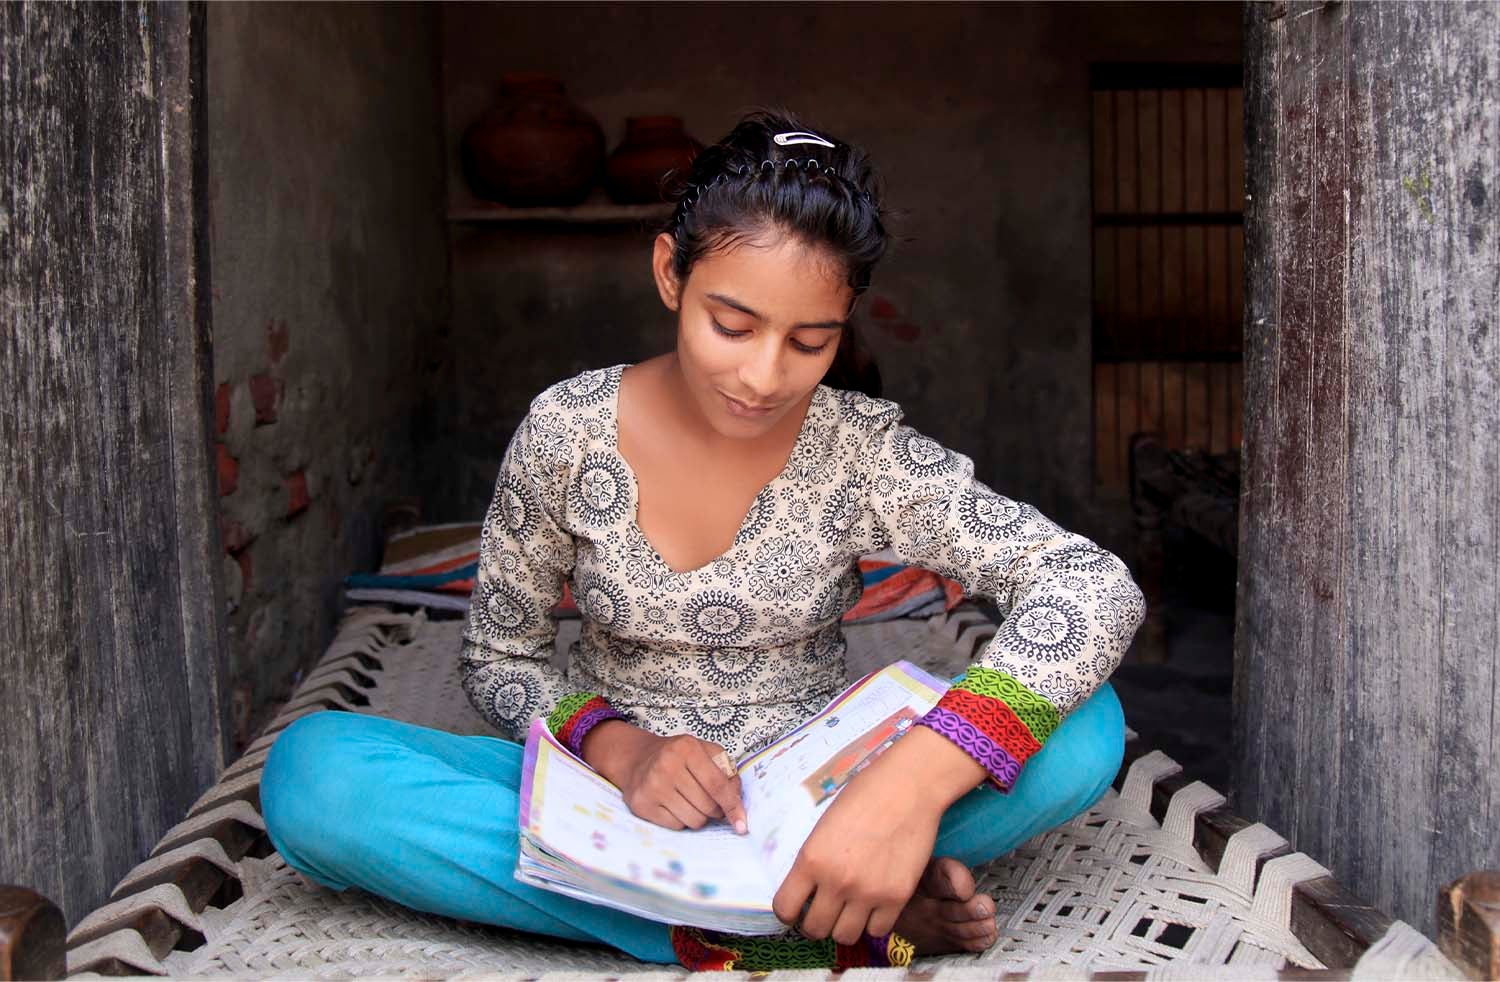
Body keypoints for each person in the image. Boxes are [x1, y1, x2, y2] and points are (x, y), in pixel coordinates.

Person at [261, 109, 1144, 972]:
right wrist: (625, 750)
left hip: (825, 804)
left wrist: (902, 791)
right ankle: (831, 922)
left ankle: (821, 881)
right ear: (668, 275)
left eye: (810, 342)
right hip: (609, 805)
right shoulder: (567, 431)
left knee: (1087, 731)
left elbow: (1090, 586)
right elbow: (499, 658)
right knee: (315, 777)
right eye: (733, 326)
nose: (764, 377)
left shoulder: (863, 451)